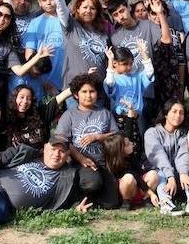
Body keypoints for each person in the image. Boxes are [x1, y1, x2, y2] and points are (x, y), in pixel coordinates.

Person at [57, 73, 121, 208]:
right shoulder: (69, 115)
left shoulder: (105, 113)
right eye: (84, 92)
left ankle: (93, 200)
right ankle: (78, 199)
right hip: (80, 164)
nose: (88, 95)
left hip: (102, 163)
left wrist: (99, 137)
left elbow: (116, 135)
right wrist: (81, 159)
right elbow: (63, 141)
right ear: (76, 95)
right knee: (92, 183)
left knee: (112, 203)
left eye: (92, 91)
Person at [49, 0, 110, 87]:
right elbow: (61, 7)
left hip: (99, 89)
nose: (88, 11)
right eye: (85, 7)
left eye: (92, 8)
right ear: (77, 9)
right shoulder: (70, 25)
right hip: (75, 89)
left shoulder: (103, 34)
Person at [144, 100, 189, 215]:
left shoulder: (184, 134)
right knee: (160, 172)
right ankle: (165, 203)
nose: (178, 115)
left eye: (181, 112)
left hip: (178, 174)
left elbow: (183, 155)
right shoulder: (152, 133)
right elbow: (159, 157)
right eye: (174, 111)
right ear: (165, 114)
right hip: (159, 173)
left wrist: (183, 173)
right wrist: (170, 177)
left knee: (188, 170)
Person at [105, 45, 154, 156]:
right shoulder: (113, 78)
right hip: (120, 118)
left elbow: (149, 73)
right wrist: (110, 61)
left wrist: (144, 54)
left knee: (139, 144)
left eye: (131, 64)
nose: (129, 67)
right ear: (115, 63)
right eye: (125, 64)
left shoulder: (136, 77)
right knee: (122, 146)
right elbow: (109, 83)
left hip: (137, 117)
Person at [2, 84, 71, 150]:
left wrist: (75, 86)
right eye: (22, 97)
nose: (25, 101)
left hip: (41, 156)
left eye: (29, 99)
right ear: (15, 98)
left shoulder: (39, 114)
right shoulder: (6, 118)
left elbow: (60, 98)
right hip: (16, 157)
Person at [103, 134, 159, 210]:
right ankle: (126, 202)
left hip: (140, 189)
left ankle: (147, 199)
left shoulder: (132, 156)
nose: (132, 143)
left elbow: (140, 175)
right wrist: (151, 193)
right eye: (128, 144)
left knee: (153, 174)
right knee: (128, 178)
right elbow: (136, 177)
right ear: (120, 150)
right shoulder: (116, 165)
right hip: (127, 191)